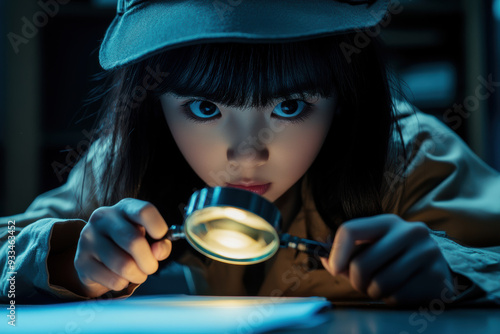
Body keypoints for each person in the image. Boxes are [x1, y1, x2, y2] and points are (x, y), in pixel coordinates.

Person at [1, 0, 500, 306]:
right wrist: (68, 257)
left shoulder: (410, 158)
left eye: (288, 106)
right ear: (154, 106)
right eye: (202, 107)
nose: (245, 154)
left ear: (345, 95)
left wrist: (453, 271)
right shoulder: (126, 161)